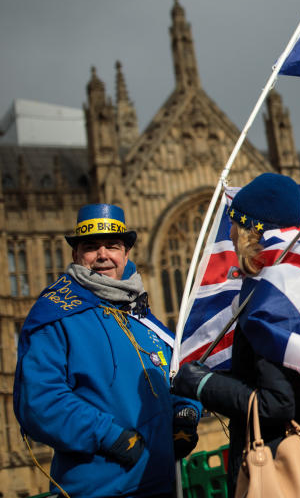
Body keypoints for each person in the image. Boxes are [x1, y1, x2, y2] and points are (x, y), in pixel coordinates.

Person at [172, 173, 300, 494]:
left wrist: (202, 383)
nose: (229, 233)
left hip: (287, 470)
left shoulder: (272, 299)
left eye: (234, 226)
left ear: (250, 233)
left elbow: (277, 404)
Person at [14, 203, 201, 498]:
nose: (103, 255)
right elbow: (39, 401)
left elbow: (172, 374)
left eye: (112, 245)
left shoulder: (139, 313)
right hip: (100, 488)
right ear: (76, 255)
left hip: (162, 482)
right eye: (91, 247)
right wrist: (109, 436)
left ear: (125, 253)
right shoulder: (55, 314)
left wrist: (186, 412)